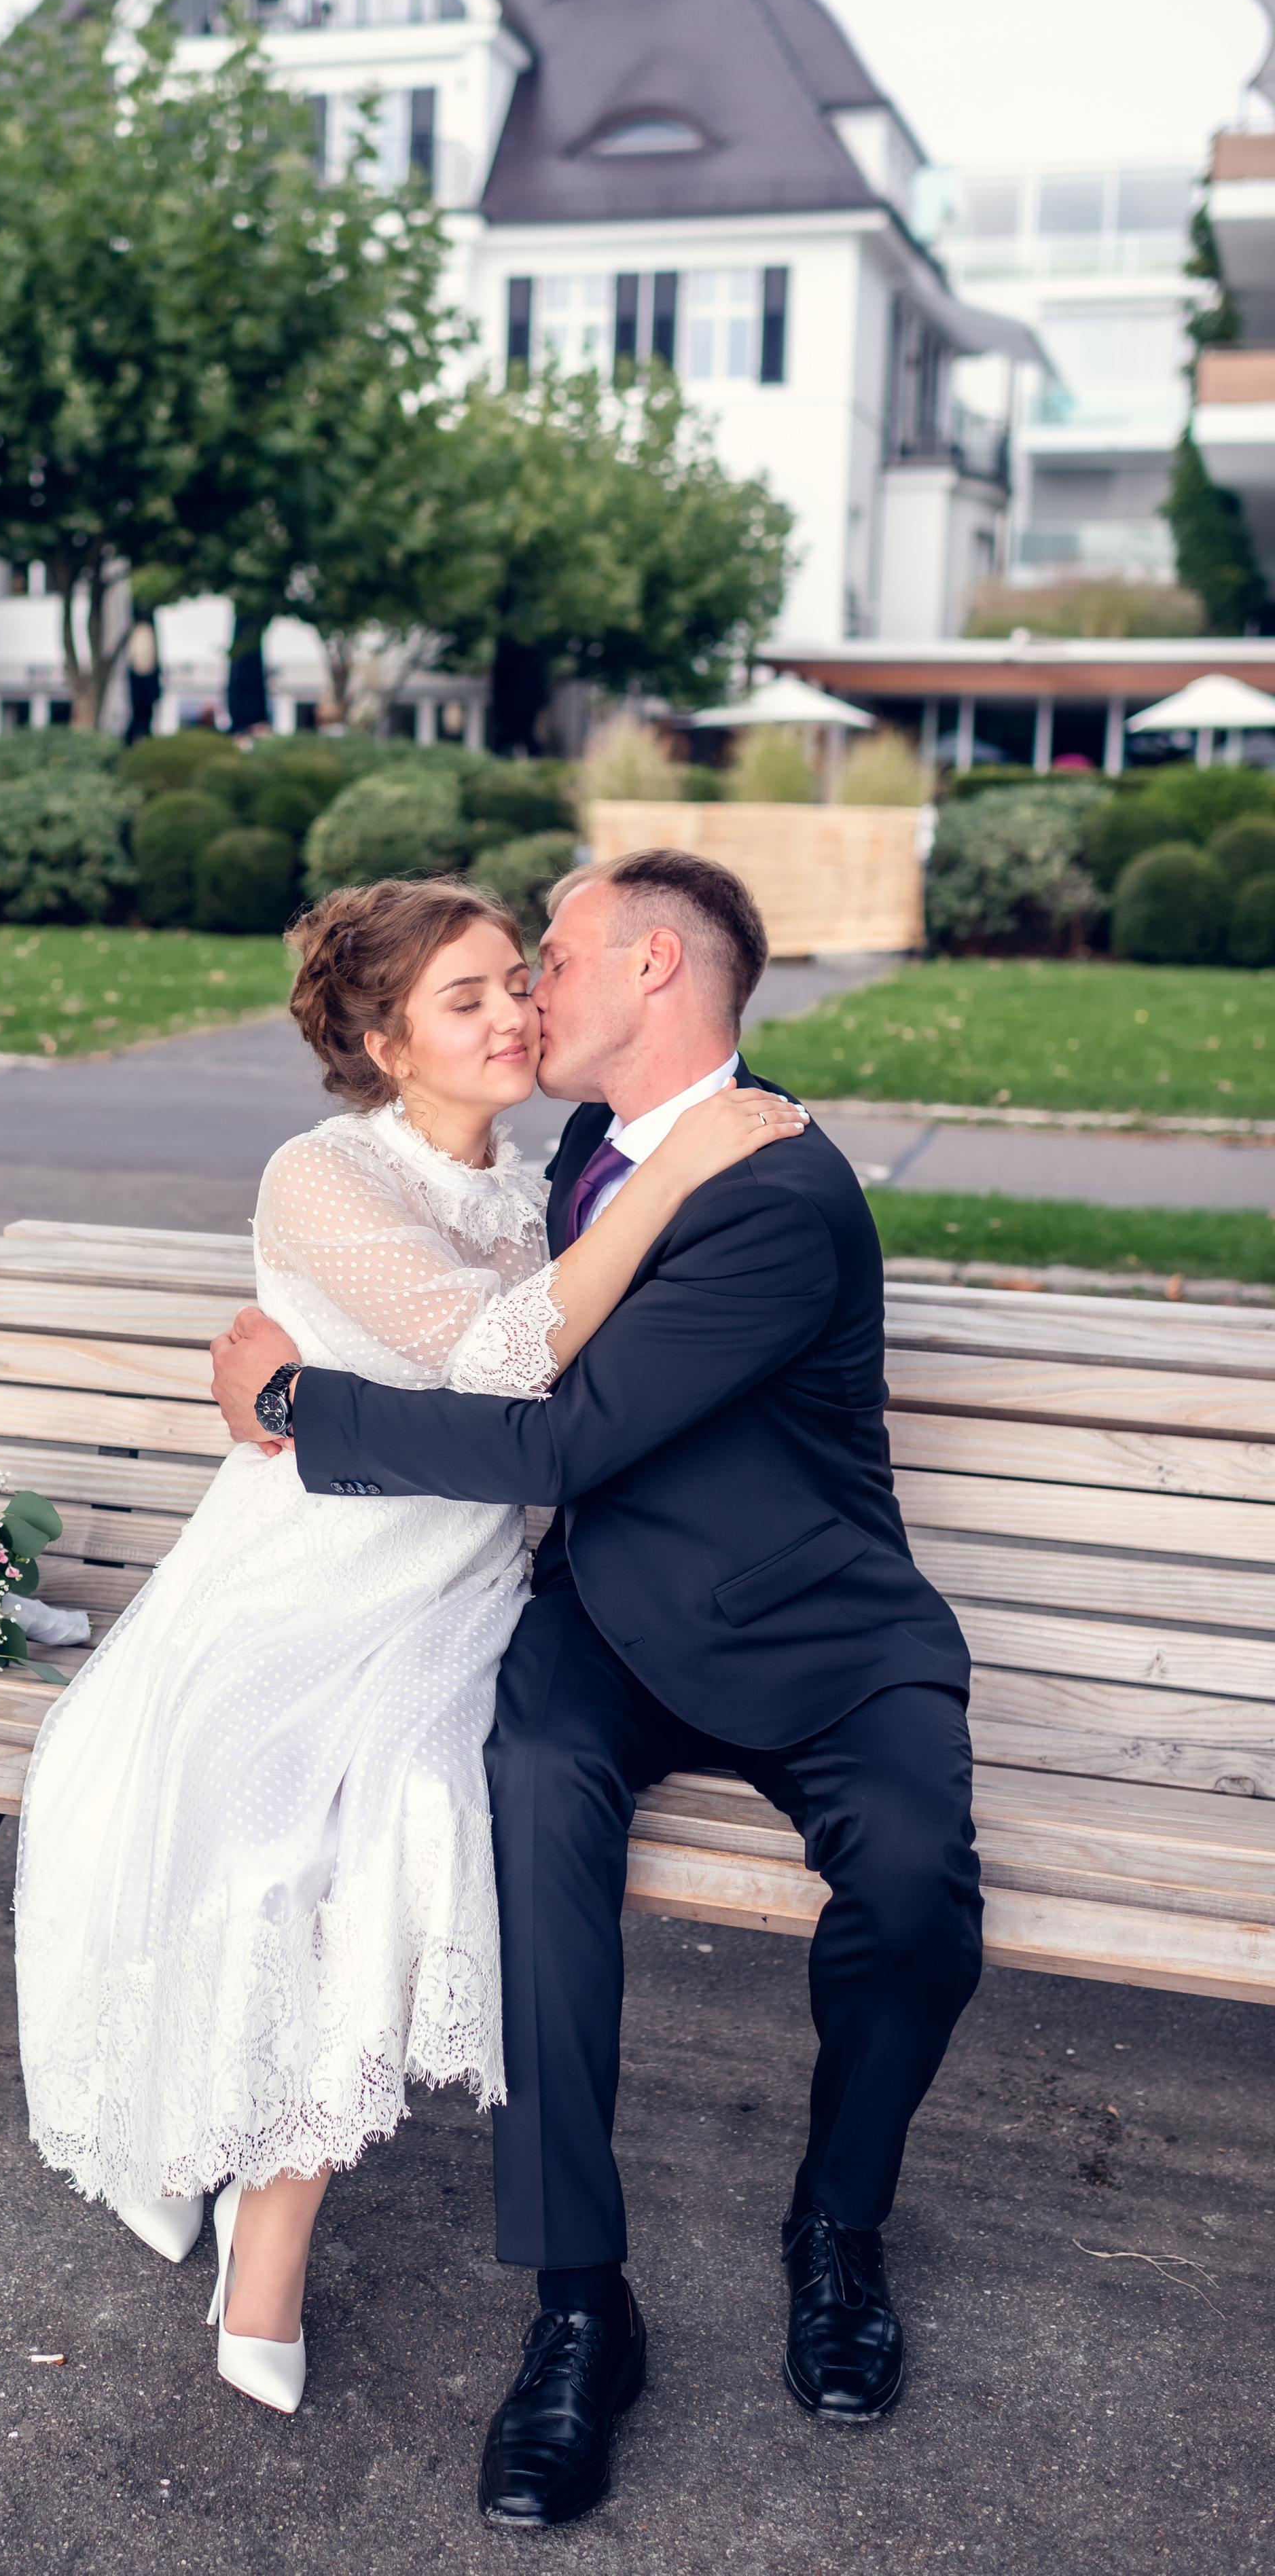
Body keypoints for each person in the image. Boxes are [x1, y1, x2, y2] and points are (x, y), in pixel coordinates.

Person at [212, 849, 981, 2524]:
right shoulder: (582, 1151)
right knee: (528, 1810)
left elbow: (555, 1434)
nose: (530, 992)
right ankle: (578, 2306)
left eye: (548, 959)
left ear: (649, 969)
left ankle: (836, 2236)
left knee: (918, 1892)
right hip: (609, 1620)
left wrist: (297, 1412)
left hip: (818, 1634)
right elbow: (476, 1313)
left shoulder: (770, 1187)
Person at [12, 875, 804, 2420]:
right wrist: (684, 1163)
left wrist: (670, 1157)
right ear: (382, 1040)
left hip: (456, 1598)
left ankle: (269, 2217)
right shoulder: (321, 1180)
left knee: (413, 1826)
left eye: (517, 979)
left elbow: (576, 1402)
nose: (513, 1012)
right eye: (466, 998)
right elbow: (502, 1361)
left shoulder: (545, 1187)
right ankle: (243, 2178)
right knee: (266, 1827)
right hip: (298, 1586)